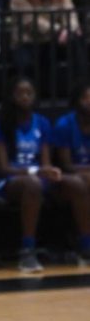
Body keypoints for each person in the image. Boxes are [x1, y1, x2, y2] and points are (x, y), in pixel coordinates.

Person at [0, 77, 88, 273]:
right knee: (33, 184)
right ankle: (27, 250)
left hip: (37, 177)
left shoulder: (42, 123)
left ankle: (85, 246)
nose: (25, 97)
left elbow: (45, 163)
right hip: (9, 181)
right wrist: (35, 171)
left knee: (77, 184)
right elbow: (2, 167)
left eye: (29, 93)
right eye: (20, 93)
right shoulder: (1, 124)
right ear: (12, 97)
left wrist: (50, 171)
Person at [53, 85, 90, 259]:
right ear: (77, 102)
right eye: (86, 98)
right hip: (64, 179)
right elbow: (66, 165)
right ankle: (86, 242)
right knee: (81, 181)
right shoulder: (65, 124)